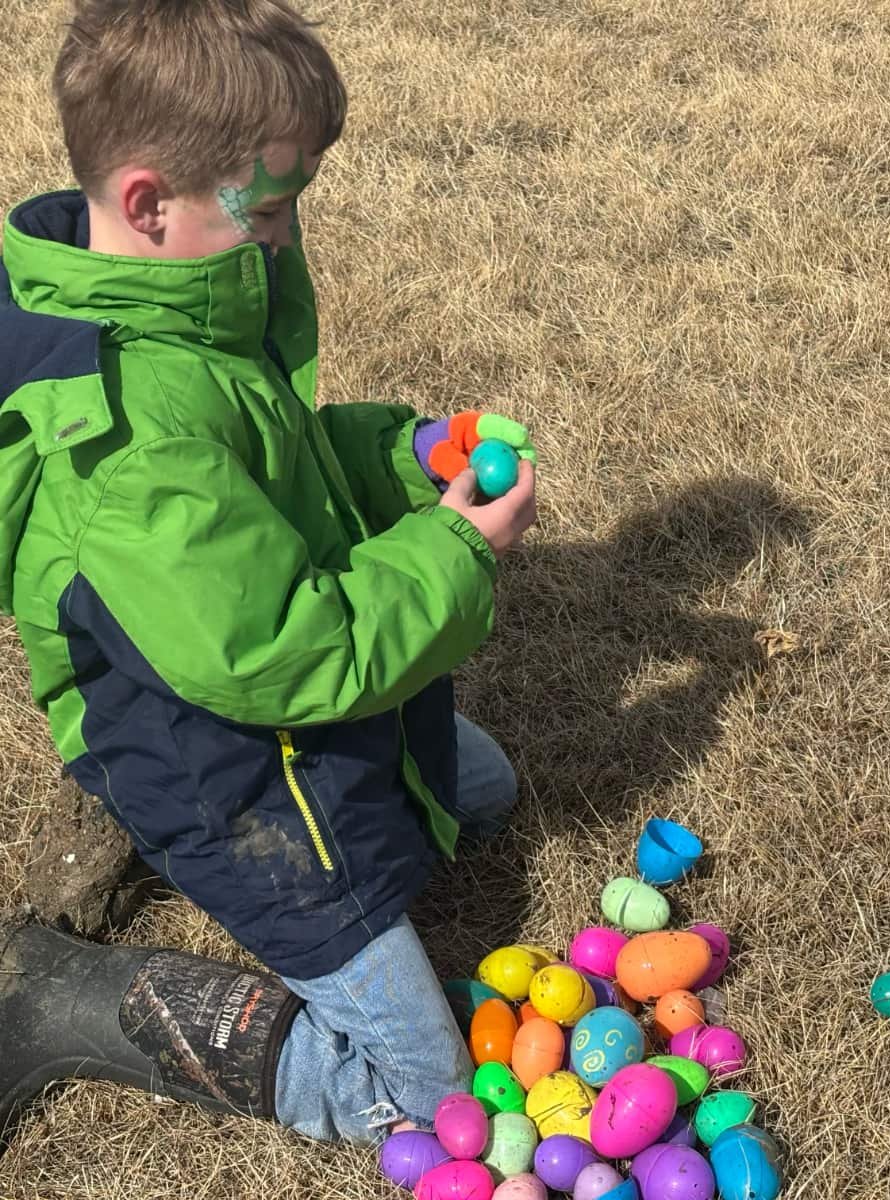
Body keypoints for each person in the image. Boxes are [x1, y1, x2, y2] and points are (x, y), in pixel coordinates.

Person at [0, 0, 537, 1147]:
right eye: (274, 206)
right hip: (219, 763)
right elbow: (292, 656)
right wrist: (455, 550)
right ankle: (78, 998)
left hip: (239, 675)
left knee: (477, 793)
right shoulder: (131, 450)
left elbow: (274, 472)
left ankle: (167, 851)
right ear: (148, 203)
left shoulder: (188, 305)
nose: (288, 235)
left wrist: (400, 458)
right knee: (425, 1101)